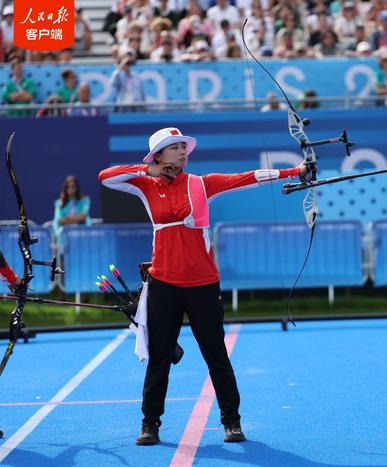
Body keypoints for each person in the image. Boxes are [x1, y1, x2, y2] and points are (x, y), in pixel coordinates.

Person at [98, 127, 308, 446]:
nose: (182, 152)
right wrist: (149, 170)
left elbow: (248, 177)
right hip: (163, 284)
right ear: (158, 156)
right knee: (159, 357)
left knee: (216, 356)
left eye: (184, 147)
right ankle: (150, 424)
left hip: (203, 285)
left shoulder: (200, 183)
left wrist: (295, 170)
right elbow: (106, 176)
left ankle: (232, 421)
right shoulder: (145, 185)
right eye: (174, 148)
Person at [52, 176, 92, 252]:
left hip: (82, 238)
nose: (71, 189)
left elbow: (83, 216)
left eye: (73, 186)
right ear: (65, 188)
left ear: (77, 188)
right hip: (64, 240)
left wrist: (67, 219)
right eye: (68, 187)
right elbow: (59, 220)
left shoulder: (85, 200)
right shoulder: (59, 203)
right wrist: (76, 219)